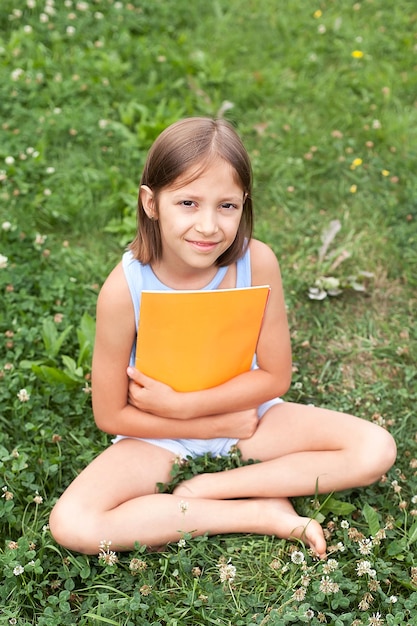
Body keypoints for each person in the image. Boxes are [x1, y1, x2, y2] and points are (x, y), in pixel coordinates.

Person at [49, 117, 396, 558]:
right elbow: (111, 415)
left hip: (247, 416)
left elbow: (274, 376)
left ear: (244, 203)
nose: (209, 226)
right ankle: (256, 514)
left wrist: (194, 407)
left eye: (226, 206)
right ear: (151, 203)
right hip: (156, 436)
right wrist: (201, 422)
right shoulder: (123, 290)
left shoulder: (257, 263)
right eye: (188, 203)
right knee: (72, 522)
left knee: (375, 449)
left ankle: (216, 486)